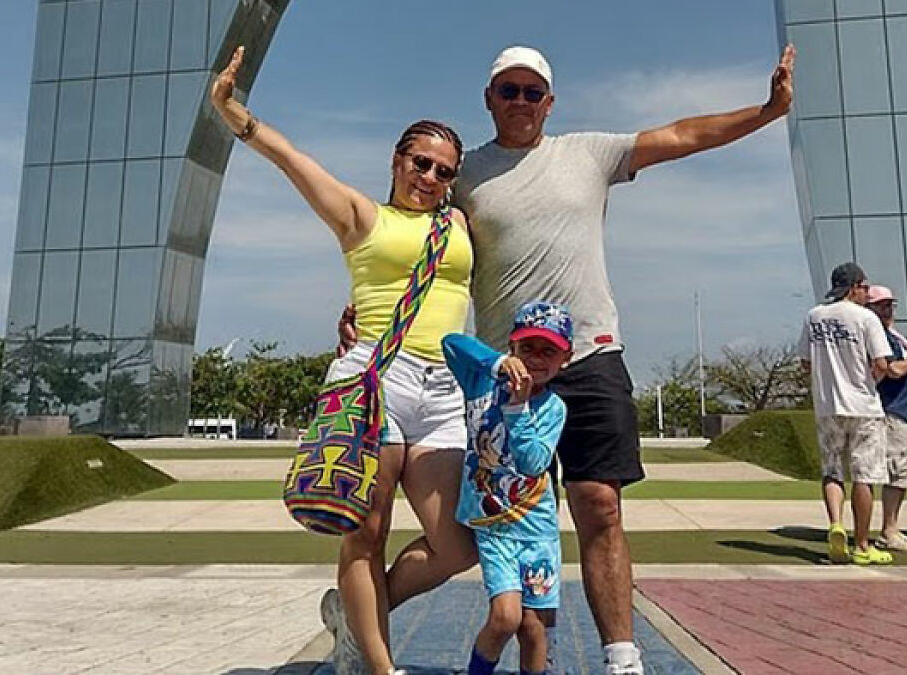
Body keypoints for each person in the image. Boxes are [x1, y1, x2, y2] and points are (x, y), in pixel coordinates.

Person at [355, 43, 793, 674]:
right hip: (505, 376)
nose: (522, 102)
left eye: (533, 92)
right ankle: (364, 614)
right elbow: (406, 241)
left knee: (600, 505)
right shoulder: (464, 175)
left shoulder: (587, 152)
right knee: (499, 523)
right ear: (489, 99)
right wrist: (363, 321)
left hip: (589, 357)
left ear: (550, 102)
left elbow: (680, 135)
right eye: (509, 91)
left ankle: (621, 656)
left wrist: (767, 111)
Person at [210, 48, 479, 674]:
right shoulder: (363, 216)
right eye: (421, 163)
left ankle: (354, 615)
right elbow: (292, 162)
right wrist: (232, 112)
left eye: (444, 171)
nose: (431, 179)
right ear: (396, 160)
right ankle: (377, 666)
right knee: (366, 531)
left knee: (457, 548)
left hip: (445, 393)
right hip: (374, 380)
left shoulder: (460, 222)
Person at [443, 302, 572, 675]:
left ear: (566, 358)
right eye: (527, 348)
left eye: (549, 350)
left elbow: (533, 463)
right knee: (504, 618)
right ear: (511, 348)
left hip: (536, 531)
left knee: (533, 628)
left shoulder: (553, 408)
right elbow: (451, 343)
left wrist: (518, 407)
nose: (536, 358)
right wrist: (496, 364)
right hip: (494, 526)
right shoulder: (481, 382)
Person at [798, 263, 894, 565]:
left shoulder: (814, 316)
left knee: (832, 471)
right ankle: (862, 544)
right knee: (864, 476)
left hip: (827, 406)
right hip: (863, 406)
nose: (867, 293)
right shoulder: (866, 318)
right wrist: (868, 381)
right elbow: (881, 364)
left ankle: (836, 524)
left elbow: (805, 363)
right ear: (854, 287)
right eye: (865, 287)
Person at [864, 286, 907, 553]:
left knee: (903, 472)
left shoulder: (892, 335)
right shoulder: (879, 337)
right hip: (891, 410)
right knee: (896, 471)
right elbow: (893, 370)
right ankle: (888, 530)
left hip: (903, 411)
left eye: (890, 305)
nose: (887, 310)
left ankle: (891, 527)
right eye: (881, 305)